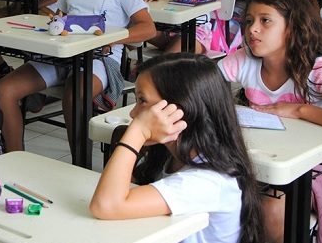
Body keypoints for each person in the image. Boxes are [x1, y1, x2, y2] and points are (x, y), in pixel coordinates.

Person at [0, 0, 156, 153]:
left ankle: (80, 164)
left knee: (75, 96)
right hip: (62, 55)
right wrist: (51, 23)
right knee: (5, 89)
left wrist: (111, 39)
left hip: (100, 59)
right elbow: (60, 14)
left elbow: (148, 28)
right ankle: (14, 157)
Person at [90, 53, 263, 243]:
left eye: (142, 101)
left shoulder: (206, 182)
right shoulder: (171, 153)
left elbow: (106, 205)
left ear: (179, 109)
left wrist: (137, 133)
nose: (133, 113)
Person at [218, 0, 322, 243]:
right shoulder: (243, 60)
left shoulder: (319, 71)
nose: (252, 29)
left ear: (292, 27)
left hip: (305, 171)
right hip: (252, 160)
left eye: (265, 21)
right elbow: (201, 87)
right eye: (249, 21)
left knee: (271, 213)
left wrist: (300, 109)